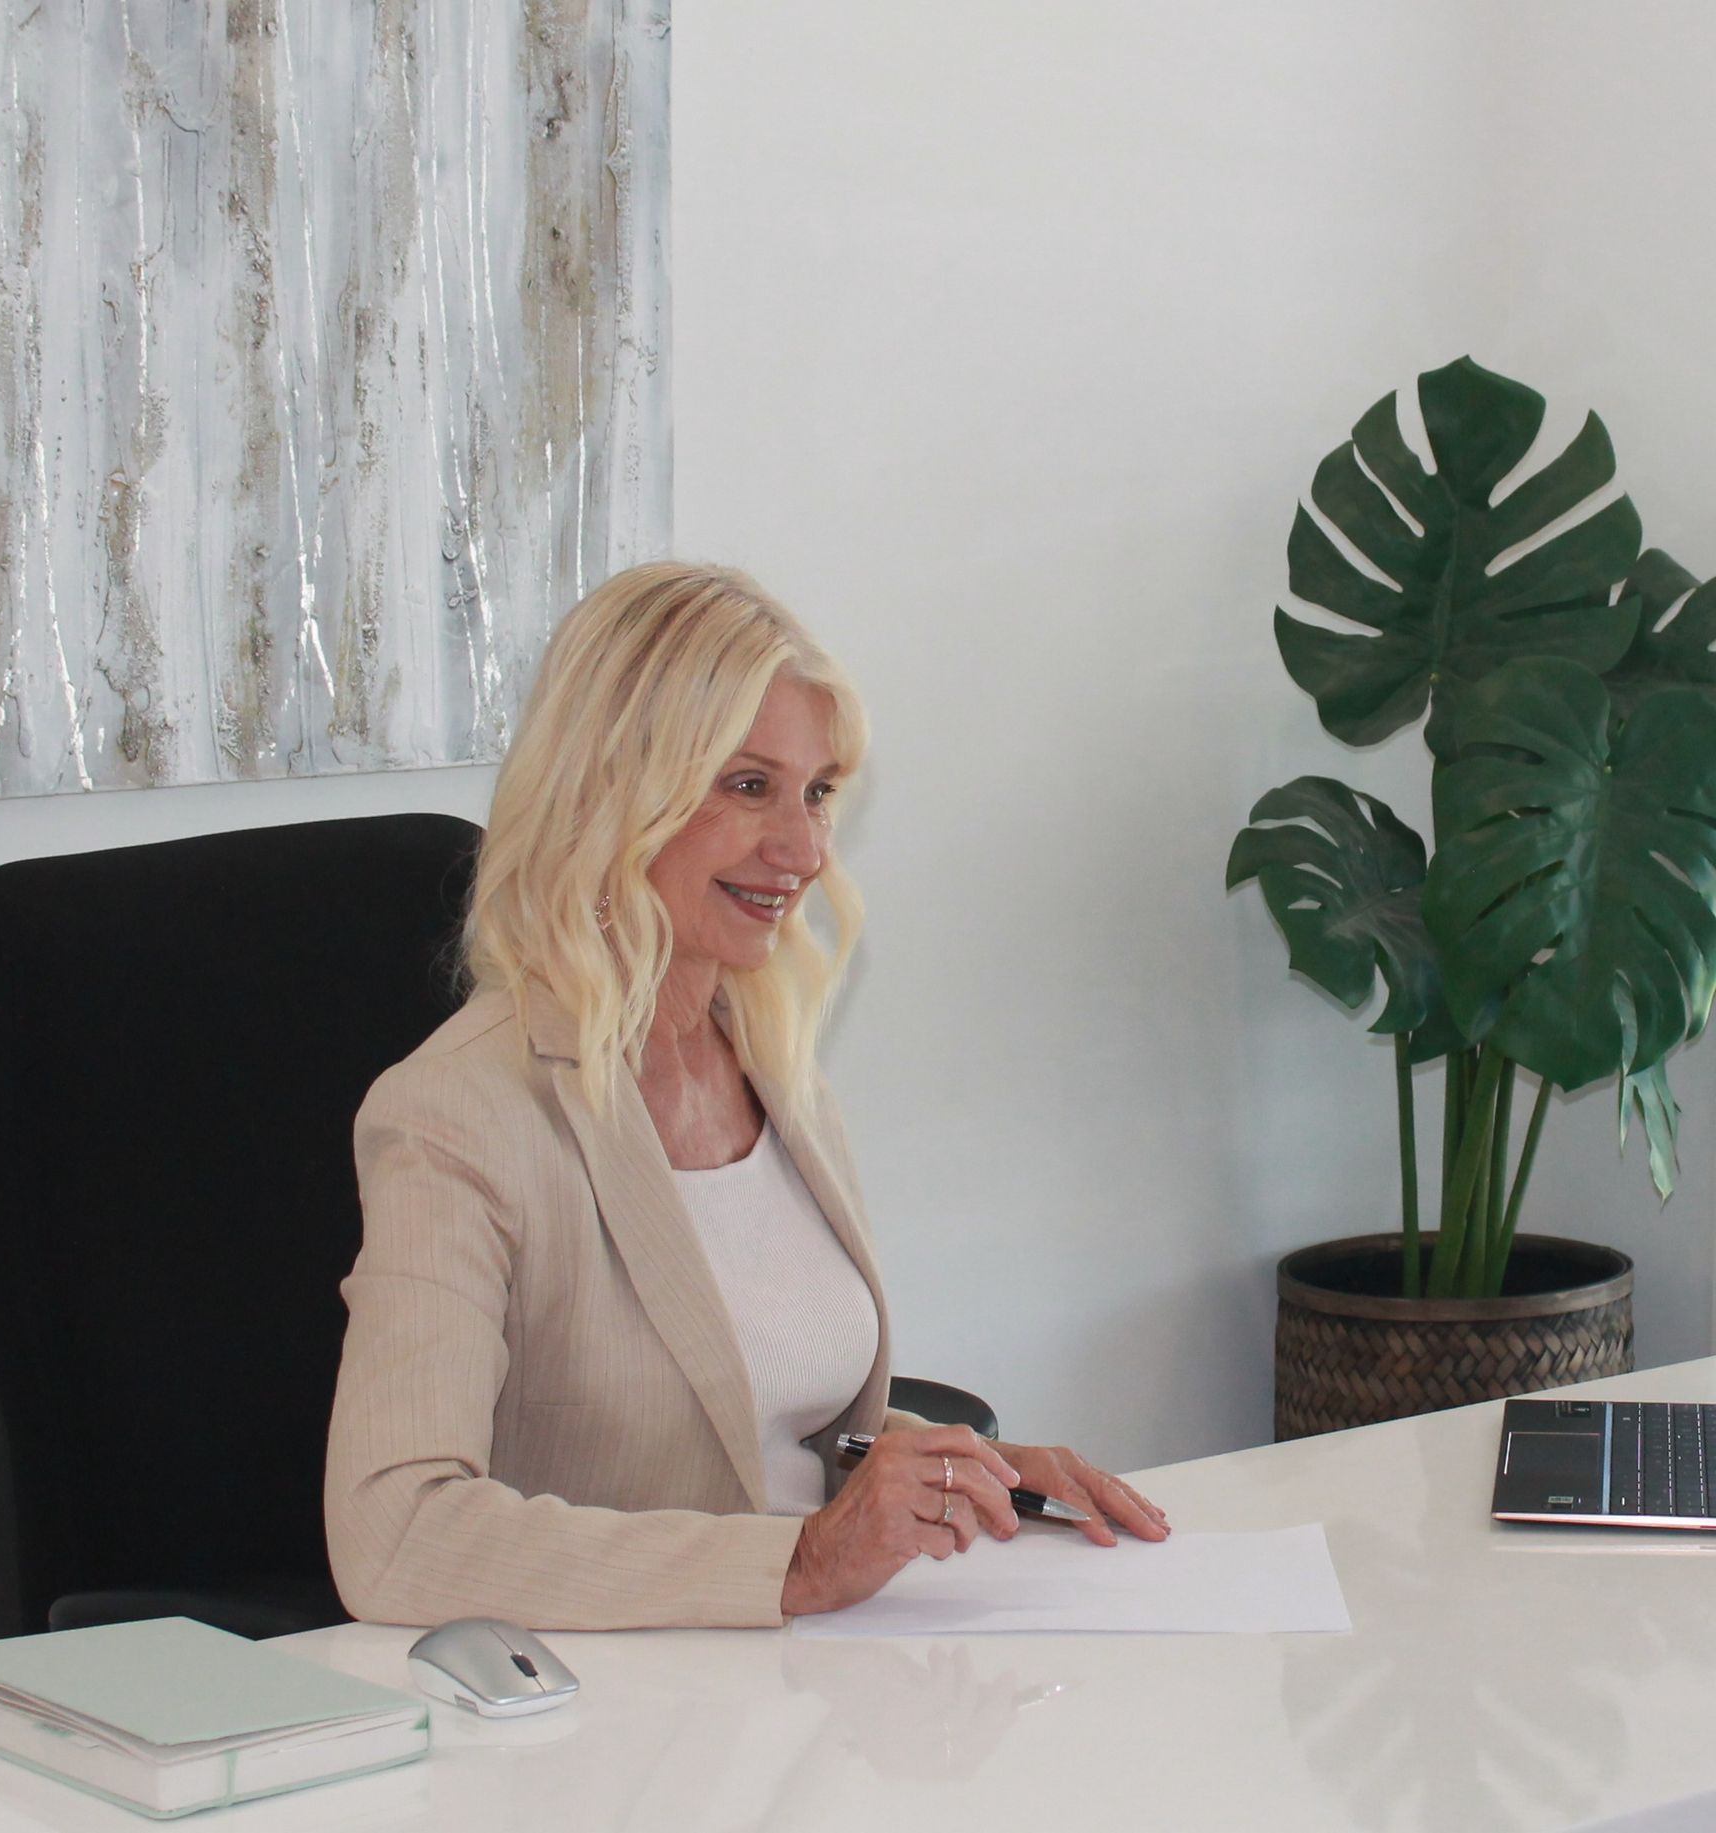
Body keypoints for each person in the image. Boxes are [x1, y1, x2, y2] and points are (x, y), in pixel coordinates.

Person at [324, 561, 1167, 1630]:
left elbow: (765, 1426)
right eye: (747, 785)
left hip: (811, 1682)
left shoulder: (769, 1059)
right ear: (613, 791)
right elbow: (395, 1533)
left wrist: (974, 1473)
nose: (806, 850)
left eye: (817, 793)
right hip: (615, 1725)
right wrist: (801, 1564)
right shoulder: (460, 1116)